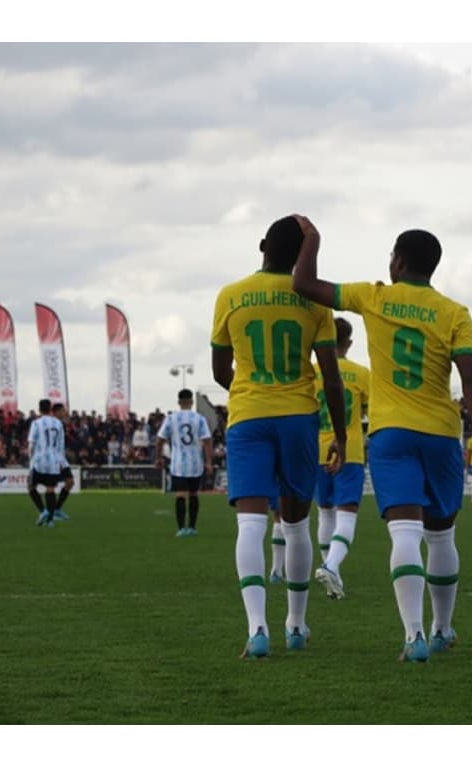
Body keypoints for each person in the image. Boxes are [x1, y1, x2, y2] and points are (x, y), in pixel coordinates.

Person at [293, 217, 472, 663]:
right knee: (441, 536)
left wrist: (312, 239)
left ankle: (414, 636)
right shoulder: (455, 313)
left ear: (398, 261)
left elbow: (304, 284)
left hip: (391, 435)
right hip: (442, 434)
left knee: (403, 532)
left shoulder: (375, 296)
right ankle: (443, 628)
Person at [211, 215, 347, 659]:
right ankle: (296, 624)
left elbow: (218, 371)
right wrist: (341, 435)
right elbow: (331, 378)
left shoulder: (230, 295)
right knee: (295, 523)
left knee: (249, 524)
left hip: (248, 416)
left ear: (262, 245)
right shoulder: (313, 303)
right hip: (299, 417)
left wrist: (251, 392)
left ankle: (256, 629)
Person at [313, 317, 371, 599]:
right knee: (346, 514)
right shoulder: (362, 374)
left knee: (324, 512)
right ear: (348, 343)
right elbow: (373, 411)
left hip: (316, 451)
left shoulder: (311, 372)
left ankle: (330, 570)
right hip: (349, 452)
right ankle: (331, 565)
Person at [155, 389, 214, 537]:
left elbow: (159, 440)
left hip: (178, 464)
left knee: (180, 495)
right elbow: (207, 441)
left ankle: (181, 528)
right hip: (196, 464)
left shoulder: (171, 418)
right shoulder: (199, 419)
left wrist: (158, 458)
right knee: (194, 494)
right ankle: (192, 527)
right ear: (192, 402)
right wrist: (209, 462)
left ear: (179, 402)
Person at [27, 398, 67, 528]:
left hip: (39, 460)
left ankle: (42, 511)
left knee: (30, 486)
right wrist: (61, 461)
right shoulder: (58, 423)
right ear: (50, 409)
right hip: (54, 461)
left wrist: (30, 461)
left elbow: (31, 444)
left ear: (39, 410)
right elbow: (61, 445)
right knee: (50, 489)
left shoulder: (36, 423)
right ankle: (50, 521)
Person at [51, 402, 74, 522]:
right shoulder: (53, 424)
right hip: (55, 458)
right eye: (63, 410)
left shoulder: (61, 424)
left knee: (69, 482)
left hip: (61, 458)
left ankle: (57, 509)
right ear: (57, 411)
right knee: (52, 485)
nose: (65, 412)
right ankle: (52, 512)